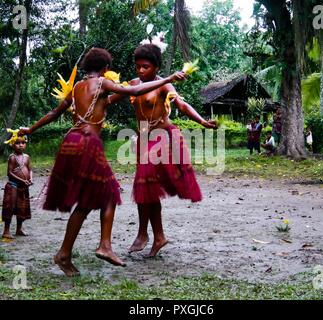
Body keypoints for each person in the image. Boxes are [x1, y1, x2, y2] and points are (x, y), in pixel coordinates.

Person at [18, 47, 187, 277]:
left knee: (88, 202)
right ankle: (104, 246)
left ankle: (64, 255)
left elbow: (54, 114)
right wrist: (167, 78)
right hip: (88, 144)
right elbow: (134, 89)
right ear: (105, 69)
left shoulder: (77, 88)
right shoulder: (101, 83)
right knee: (110, 194)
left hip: (71, 142)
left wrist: (30, 129)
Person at [108, 43, 217, 258]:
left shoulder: (164, 85)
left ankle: (149, 235)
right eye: (138, 66)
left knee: (145, 185)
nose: (140, 70)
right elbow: (109, 99)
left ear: (156, 67)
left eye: (146, 66)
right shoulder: (133, 84)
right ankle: (152, 235)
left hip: (161, 138)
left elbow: (183, 106)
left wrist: (202, 122)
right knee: (144, 188)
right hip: (142, 140)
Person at [2, 135, 33, 239]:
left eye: (23, 143)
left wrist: (30, 179)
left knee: (22, 207)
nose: (21, 145)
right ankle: (6, 231)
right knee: (10, 207)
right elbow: (9, 173)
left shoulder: (27, 157)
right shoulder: (12, 157)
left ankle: (19, 229)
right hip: (13, 186)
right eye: (18, 143)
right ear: (12, 145)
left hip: (24, 187)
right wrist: (22, 180)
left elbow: (30, 170)